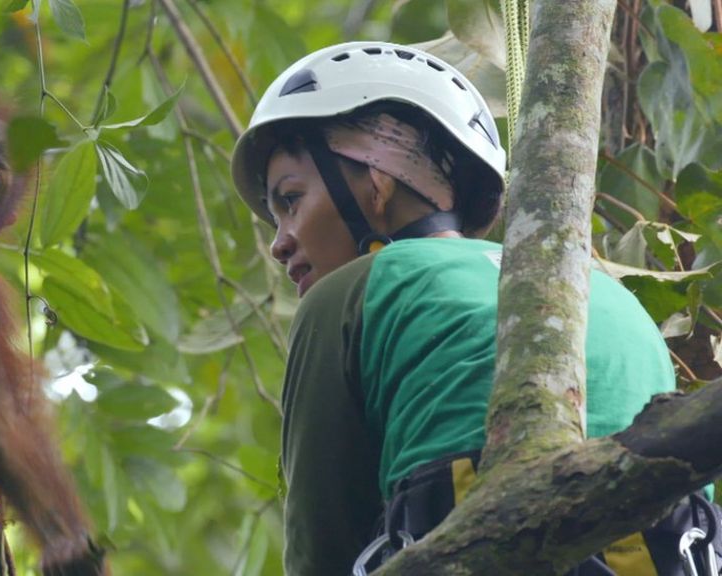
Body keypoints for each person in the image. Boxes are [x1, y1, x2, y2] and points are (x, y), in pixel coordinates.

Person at [230, 41, 721, 576]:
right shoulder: (606, 288)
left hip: (474, 527)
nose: (280, 243)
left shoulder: (351, 294)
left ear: (377, 178)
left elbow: (323, 541)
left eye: (290, 199)